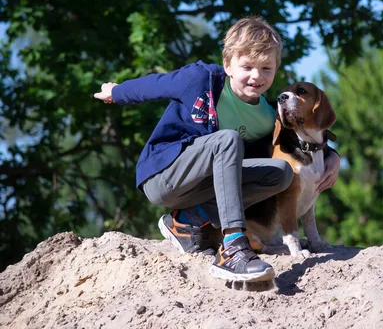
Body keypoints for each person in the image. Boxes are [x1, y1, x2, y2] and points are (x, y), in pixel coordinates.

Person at [93, 17, 341, 282]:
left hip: (199, 190)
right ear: (228, 65)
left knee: (280, 172)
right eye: (247, 66)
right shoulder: (201, 80)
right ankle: (233, 248)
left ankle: (186, 222)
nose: (256, 76)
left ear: (276, 68)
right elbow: (155, 85)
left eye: (266, 68)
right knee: (228, 140)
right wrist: (117, 91)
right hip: (164, 175)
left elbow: (298, 144)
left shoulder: (269, 116)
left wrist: (331, 155)